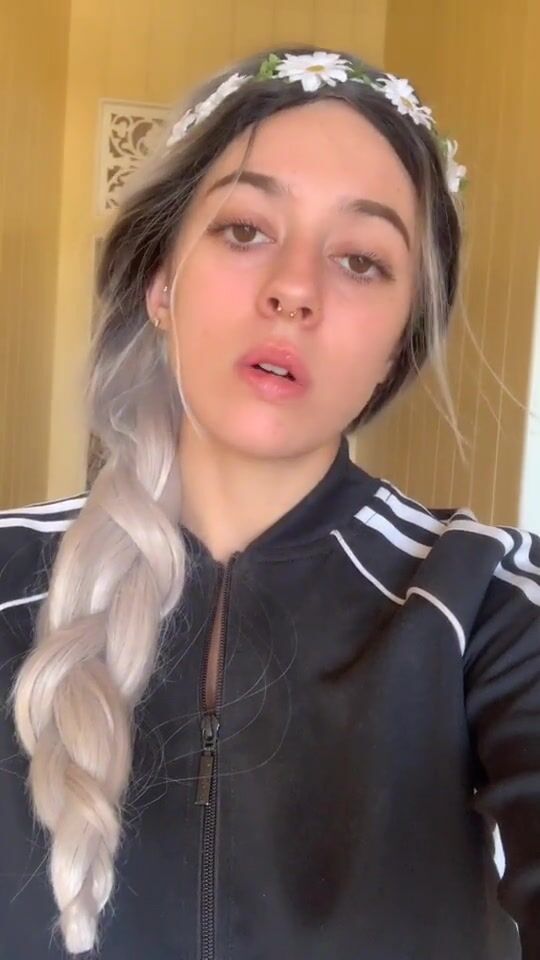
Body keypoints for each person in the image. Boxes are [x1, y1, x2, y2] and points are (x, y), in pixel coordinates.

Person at [0, 42, 538, 960]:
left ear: (398, 342)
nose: (294, 289)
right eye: (246, 230)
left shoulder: (486, 601)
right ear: (161, 284)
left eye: (361, 259)